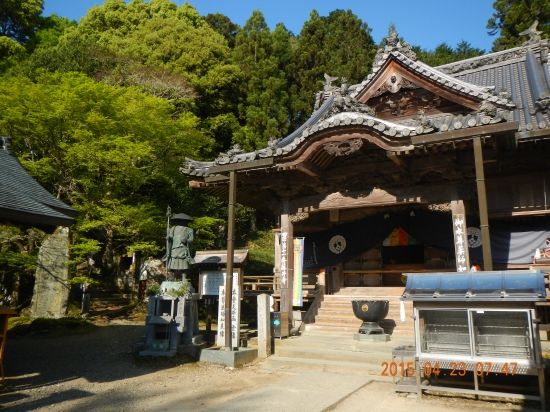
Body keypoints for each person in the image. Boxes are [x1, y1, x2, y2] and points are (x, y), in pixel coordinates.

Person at [165, 213, 194, 281]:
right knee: (173, 262)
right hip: (174, 247)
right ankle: (172, 276)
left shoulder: (189, 230)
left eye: (183, 221)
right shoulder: (173, 228)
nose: (182, 222)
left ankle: (184, 278)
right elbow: (171, 237)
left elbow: (191, 240)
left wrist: (187, 241)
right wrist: (168, 238)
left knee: (184, 263)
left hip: (183, 248)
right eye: (180, 220)